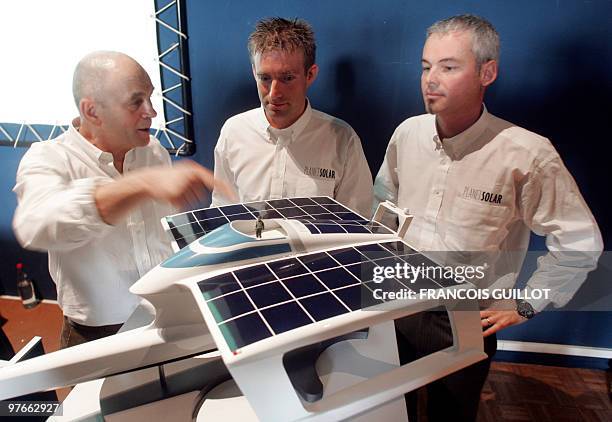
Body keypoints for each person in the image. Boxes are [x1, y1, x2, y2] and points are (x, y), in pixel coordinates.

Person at [373, 15, 603, 421]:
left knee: (452, 413)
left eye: (449, 67)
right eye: (426, 67)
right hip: (400, 303)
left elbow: (579, 241)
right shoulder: (407, 134)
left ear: (487, 72)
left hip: (465, 317)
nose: (431, 79)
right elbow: (383, 204)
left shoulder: (526, 154)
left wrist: (528, 303)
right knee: (395, 409)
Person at [13, 51, 232, 348]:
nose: (151, 112)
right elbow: (35, 225)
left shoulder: (153, 150)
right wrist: (140, 184)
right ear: (92, 112)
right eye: (136, 101)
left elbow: (162, 234)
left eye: (151, 99)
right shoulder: (49, 158)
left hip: (164, 318)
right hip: (96, 334)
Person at [211, 17, 373, 217]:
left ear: (310, 75)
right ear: (254, 73)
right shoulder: (234, 132)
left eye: (287, 78)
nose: (274, 93)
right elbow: (223, 212)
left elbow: (355, 223)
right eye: (265, 78)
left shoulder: (342, 139)